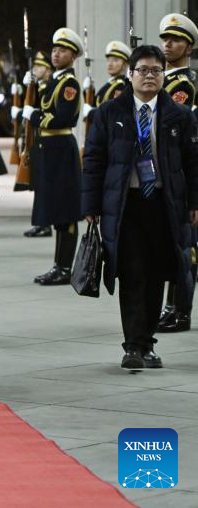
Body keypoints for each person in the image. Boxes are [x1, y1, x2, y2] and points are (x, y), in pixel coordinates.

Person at [82, 45, 198, 370]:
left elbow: (194, 164)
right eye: (143, 70)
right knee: (132, 272)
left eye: (156, 71)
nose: (149, 76)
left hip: (165, 205)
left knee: (157, 273)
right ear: (130, 74)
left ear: (163, 75)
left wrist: (194, 203)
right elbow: (93, 160)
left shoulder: (180, 115)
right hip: (126, 206)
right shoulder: (110, 112)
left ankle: (147, 344)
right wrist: (90, 205)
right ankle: (133, 345)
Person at [23, 28, 83, 286]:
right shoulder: (54, 82)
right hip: (49, 150)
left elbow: (63, 118)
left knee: (65, 211)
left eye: (63, 50)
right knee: (57, 210)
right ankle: (58, 265)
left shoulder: (69, 84)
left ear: (73, 56)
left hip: (61, 149)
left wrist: (34, 115)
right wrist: (29, 89)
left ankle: (64, 267)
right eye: (55, 49)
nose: (56, 54)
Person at [154, 13, 198, 334]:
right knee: (170, 243)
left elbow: (166, 120)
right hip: (166, 171)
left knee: (185, 246)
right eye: (165, 39)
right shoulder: (164, 79)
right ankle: (171, 307)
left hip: (180, 173)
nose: (168, 44)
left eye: (176, 40)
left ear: (189, 47)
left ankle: (180, 311)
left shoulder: (183, 84)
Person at [21, 51, 54, 238]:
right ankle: (40, 222)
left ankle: (45, 224)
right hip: (36, 138)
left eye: (40, 67)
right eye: (34, 66)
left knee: (44, 186)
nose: (35, 69)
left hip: (45, 139)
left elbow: (40, 110)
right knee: (39, 185)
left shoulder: (48, 87)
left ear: (48, 71)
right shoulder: (39, 87)